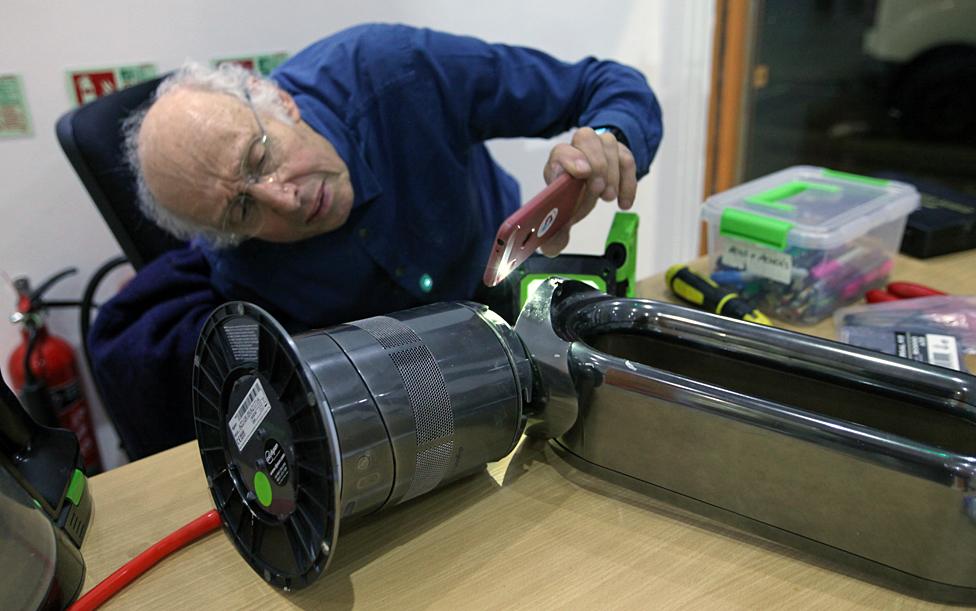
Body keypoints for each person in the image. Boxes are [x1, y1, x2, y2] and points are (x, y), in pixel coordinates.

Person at [90, 23, 663, 458]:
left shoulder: (398, 71)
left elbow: (606, 83)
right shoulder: (236, 261)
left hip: (504, 295)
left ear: (279, 102)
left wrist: (603, 147)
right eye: (243, 207)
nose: (282, 199)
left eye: (260, 157)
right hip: (407, 403)